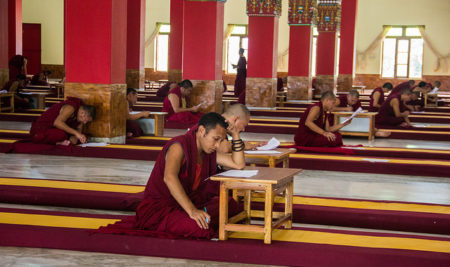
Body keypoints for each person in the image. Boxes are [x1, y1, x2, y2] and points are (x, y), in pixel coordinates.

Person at [98, 112, 246, 239]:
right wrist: (192, 211)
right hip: (162, 209)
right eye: (215, 139)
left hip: (188, 202)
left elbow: (238, 164)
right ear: (201, 131)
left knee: (232, 205)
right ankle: (193, 218)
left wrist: (235, 134)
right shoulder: (179, 145)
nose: (218, 145)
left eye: (221, 140)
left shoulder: (208, 152)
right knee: (198, 228)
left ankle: (198, 216)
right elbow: (169, 177)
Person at [29, 97, 96, 145]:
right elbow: (57, 123)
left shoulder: (80, 115)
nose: (85, 123)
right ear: (82, 113)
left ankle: (63, 140)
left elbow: (79, 128)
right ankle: (58, 142)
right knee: (61, 135)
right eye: (85, 120)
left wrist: (76, 137)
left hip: (57, 129)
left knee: (83, 137)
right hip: (41, 130)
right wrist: (76, 133)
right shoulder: (71, 107)